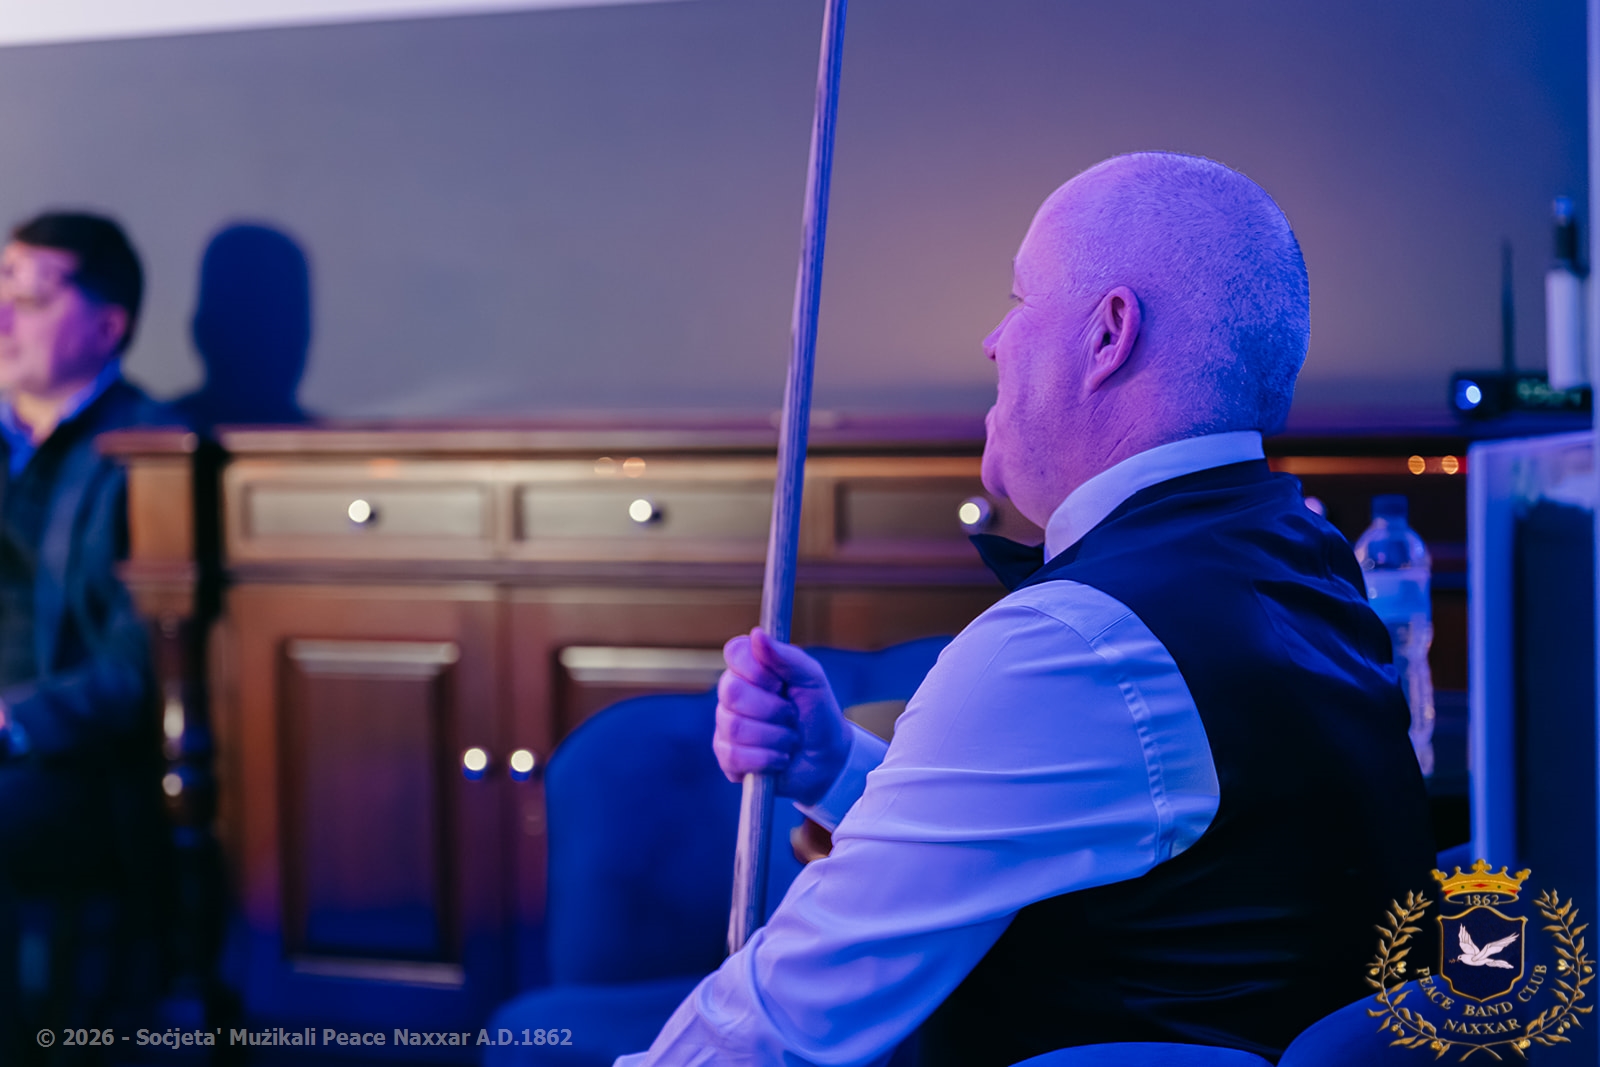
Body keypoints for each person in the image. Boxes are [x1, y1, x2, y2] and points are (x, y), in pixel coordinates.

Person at [620, 153, 1435, 1065]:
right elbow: (1143, 839)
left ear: (1109, 334)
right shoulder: (1304, 556)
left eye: (1018, 300)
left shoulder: (1078, 639)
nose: (993, 342)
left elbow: (778, 1018)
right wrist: (837, 764)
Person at [0, 212, 175, 1044]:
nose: (3, 318)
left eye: (31, 299)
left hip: (70, 762)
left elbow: (135, 670)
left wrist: (12, 719)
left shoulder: (151, 453)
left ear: (108, 326)